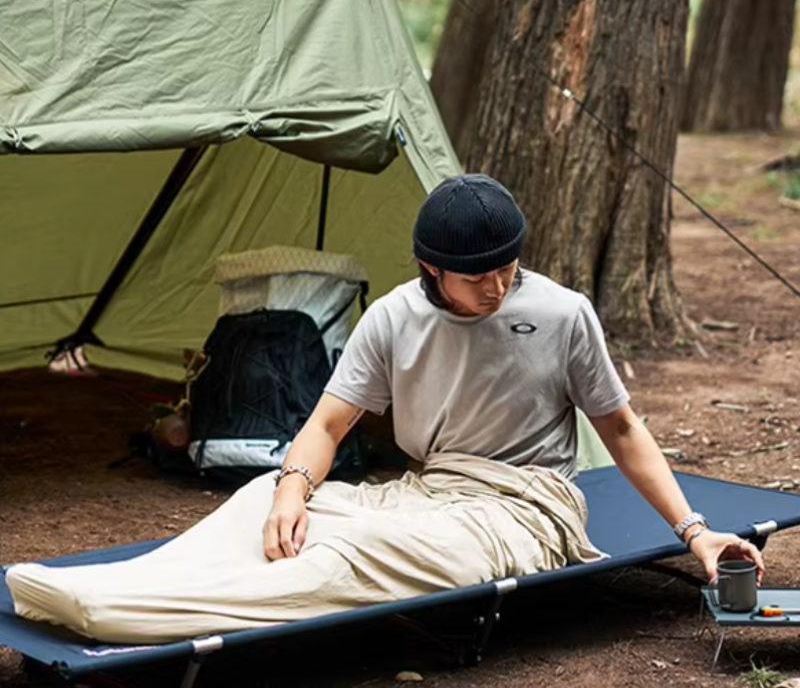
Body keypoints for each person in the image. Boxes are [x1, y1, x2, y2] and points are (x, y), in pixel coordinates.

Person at [7, 174, 763, 644]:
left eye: (507, 270)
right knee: (257, 505)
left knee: (351, 556)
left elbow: (622, 428)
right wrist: (291, 491)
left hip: (527, 510)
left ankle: (115, 616)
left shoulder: (563, 314)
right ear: (430, 269)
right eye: (477, 279)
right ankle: (112, 587)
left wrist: (693, 534)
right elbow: (328, 423)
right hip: (426, 490)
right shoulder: (395, 317)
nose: (497, 289)